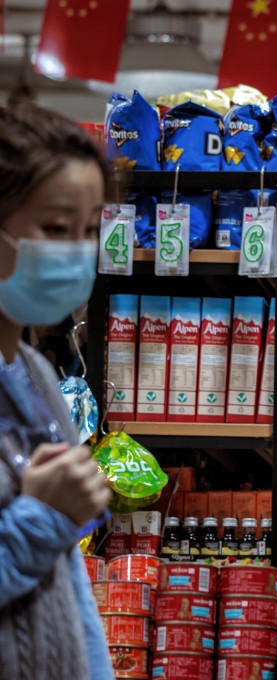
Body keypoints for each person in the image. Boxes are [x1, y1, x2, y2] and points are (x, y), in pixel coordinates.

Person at [0, 101, 114, 679]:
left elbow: (69, 581)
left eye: (90, 230)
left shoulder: (37, 375)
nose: (75, 249)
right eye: (54, 228)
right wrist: (42, 516)